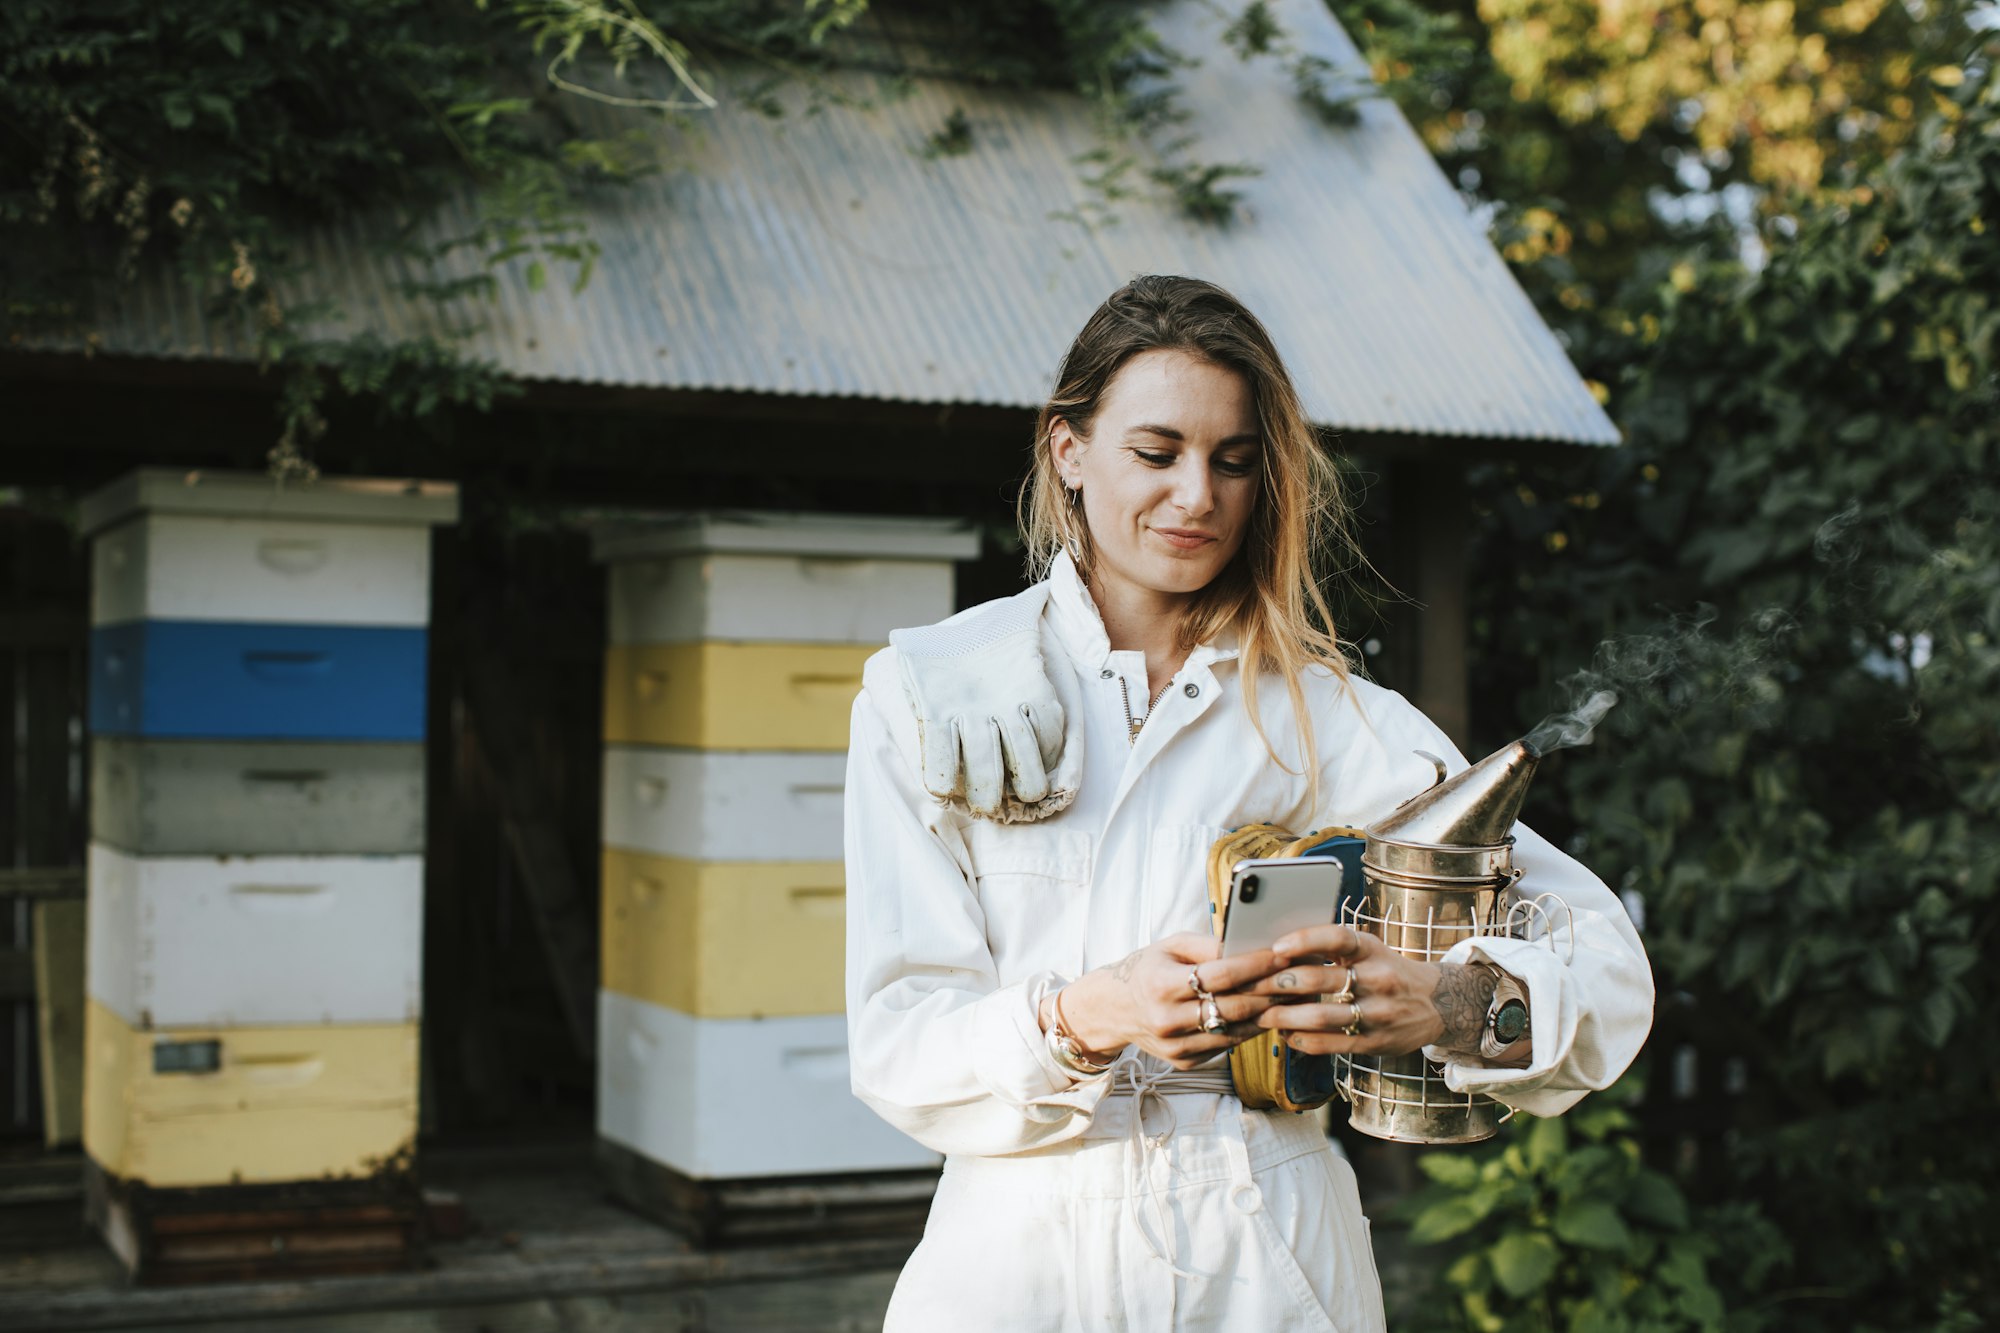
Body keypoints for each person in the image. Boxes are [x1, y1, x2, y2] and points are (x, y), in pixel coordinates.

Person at [843, 275, 1653, 1332]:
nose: (1196, 496)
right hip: (1011, 1266)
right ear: (1067, 451)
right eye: (1155, 452)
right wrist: (1091, 1013)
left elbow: (1602, 962)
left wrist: (1442, 1001)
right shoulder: (935, 695)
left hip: (1264, 1252)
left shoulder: (1338, 721)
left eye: (1231, 461)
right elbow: (898, 1045)